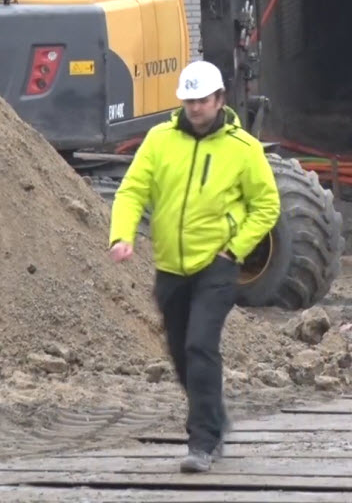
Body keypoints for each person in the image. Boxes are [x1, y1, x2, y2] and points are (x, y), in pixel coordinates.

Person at [108, 59, 280, 473]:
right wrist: (122, 234)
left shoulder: (243, 150)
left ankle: (201, 442)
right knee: (180, 352)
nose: (195, 108)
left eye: (202, 101)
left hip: (216, 264)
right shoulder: (159, 140)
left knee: (200, 345)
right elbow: (132, 190)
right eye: (188, 101)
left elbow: (267, 205)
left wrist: (235, 249)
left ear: (220, 99)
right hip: (170, 265)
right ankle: (216, 419)